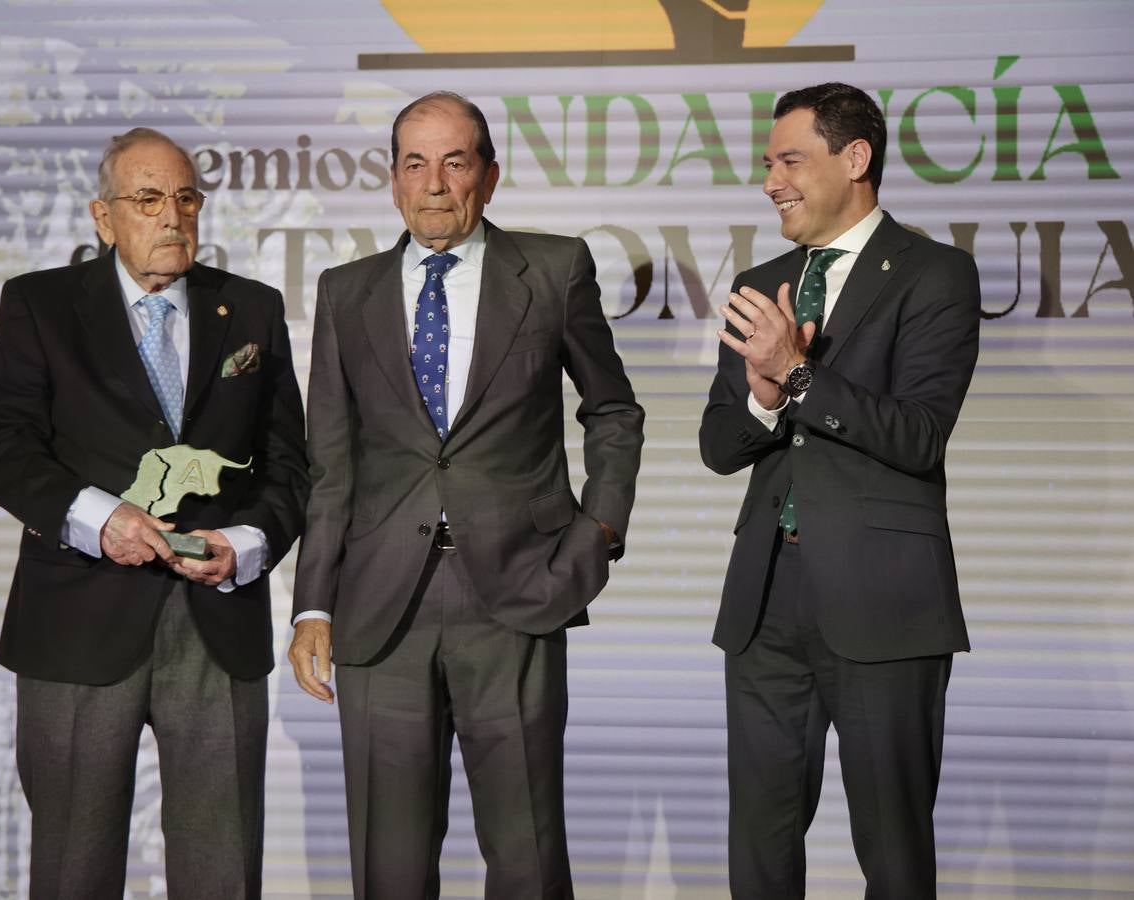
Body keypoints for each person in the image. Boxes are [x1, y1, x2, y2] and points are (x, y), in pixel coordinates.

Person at [287, 91, 644, 899]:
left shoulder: (551, 270)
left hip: (516, 594)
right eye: (415, 163)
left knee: (525, 857)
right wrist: (313, 605)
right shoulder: (347, 293)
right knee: (390, 866)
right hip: (380, 607)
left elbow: (613, 410)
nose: (434, 182)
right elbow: (331, 464)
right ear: (392, 180)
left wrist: (596, 535)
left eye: (454, 161)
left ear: (488, 173)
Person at [0, 127, 308, 898]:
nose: (172, 217)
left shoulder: (249, 309)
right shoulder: (42, 305)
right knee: (73, 872)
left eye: (186, 198)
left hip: (216, 625)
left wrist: (247, 543)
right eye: (148, 199)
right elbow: (1, 447)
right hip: (76, 628)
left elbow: (289, 464)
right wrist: (98, 518)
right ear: (103, 215)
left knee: (222, 872)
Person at [699, 82, 980, 897]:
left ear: (854, 159)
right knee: (758, 843)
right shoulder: (762, 279)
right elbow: (720, 446)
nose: (770, 181)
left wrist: (794, 373)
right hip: (764, 601)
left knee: (891, 849)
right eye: (767, 163)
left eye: (789, 160)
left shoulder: (934, 274)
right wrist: (759, 392)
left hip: (883, 602)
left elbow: (919, 434)